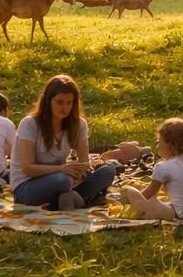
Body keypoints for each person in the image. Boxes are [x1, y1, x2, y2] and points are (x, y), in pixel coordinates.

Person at [10, 75, 118, 210]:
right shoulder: (30, 124)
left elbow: (84, 161)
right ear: (48, 101)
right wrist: (61, 169)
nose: (65, 108)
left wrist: (80, 171)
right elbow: (27, 168)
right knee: (62, 181)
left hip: (63, 180)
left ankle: (66, 199)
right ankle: (74, 200)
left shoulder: (79, 124)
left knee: (108, 171)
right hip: (28, 186)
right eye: (59, 102)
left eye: (69, 103)